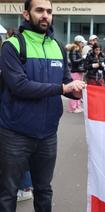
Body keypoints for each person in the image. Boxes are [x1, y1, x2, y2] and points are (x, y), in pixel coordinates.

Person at [0, 0, 85, 212]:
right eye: (39, 10)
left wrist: (75, 89)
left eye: (49, 11)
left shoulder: (57, 46)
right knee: (7, 192)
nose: (45, 15)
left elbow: (65, 80)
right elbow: (20, 86)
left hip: (48, 134)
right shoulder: (12, 45)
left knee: (44, 190)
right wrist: (62, 89)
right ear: (26, 14)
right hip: (15, 133)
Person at [68, 35, 87, 113]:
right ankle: (73, 107)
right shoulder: (74, 50)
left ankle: (78, 106)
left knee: (79, 89)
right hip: (75, 71)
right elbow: (74, 61)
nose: (83, 44)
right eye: (82, 43)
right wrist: (83, 58)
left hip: (79, 71)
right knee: (74, 89)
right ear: (79, 42)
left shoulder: (78, 50)